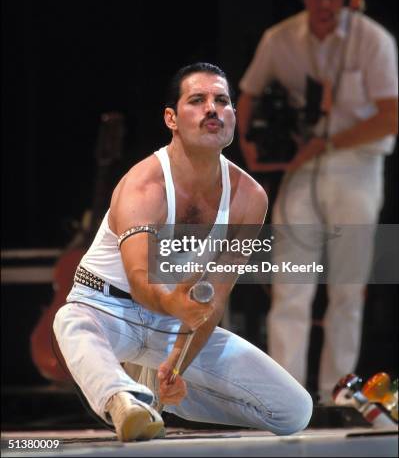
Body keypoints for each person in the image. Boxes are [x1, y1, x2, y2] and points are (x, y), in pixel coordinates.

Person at [53, 62, 313, 442]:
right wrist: (174, 304)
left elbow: (215, 297)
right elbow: (141, 282)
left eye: (222, 100)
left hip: (172, 325)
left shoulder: (249, 198)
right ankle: (124, 400)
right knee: (70, 321)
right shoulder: (145, 185)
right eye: (198, 100)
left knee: (294, 411)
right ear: (171, 118)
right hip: (108, 310)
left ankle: (157, 397)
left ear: (234, 116)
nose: (213, 108)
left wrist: (176, 365)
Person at [237, 0, 398, 403]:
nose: (324, 3)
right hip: (300, 167)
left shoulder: (371, 39)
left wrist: (328, 142)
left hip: (357, 167)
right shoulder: (280, 37)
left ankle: (337, 395)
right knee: (291, 282)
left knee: (347, 288)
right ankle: (286, 395)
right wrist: (247, 141)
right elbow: (246, 95)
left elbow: (390, 117)